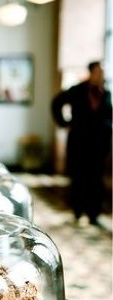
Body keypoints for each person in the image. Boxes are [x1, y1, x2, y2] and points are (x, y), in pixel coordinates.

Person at [51, 61, 112, 226]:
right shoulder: (77, 90)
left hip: (99, 145)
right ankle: (78, 211)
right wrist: (64, 123)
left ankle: (93, 213)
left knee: (96, 179)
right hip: (79, 143)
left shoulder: (106, 93)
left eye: (102, 73)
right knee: (79, 177)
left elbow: (108, 114)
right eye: (98, 72)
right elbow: (57, 103)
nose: (101, 75)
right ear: (91, 73)